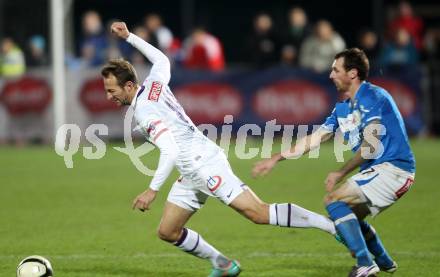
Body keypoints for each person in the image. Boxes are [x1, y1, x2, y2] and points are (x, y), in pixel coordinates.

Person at [102, 21, 336, 277]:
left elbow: (169, 149)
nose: (108, 96)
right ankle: (224, 264)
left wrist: (152, 190)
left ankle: (331, 227)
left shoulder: (146, 111)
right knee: (168, 231)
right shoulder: (153, 85)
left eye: (111, 90)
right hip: (191, 168)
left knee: (258, 213)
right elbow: (161, 60)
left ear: (128, 86)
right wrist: (129, 37)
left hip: (203, 164)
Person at [253, 48, 415, 277]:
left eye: (335, 70)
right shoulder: (342, 108)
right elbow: (316, 138)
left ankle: (364, 263)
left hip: (394, 168)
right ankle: (384, 261)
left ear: (352, 73)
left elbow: (370, 148)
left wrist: (340, 173)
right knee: (349, 219)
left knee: (333, 200)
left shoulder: (372, 96)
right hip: (382, 171)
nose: (330, 75)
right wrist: (276, 158)